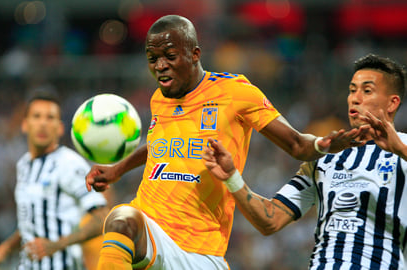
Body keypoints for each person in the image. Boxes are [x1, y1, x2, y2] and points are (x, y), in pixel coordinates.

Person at [85, 15, 367, 270]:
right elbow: (160, 144)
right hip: (153, 227)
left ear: (194, 54)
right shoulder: (160, 98)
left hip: (200, 250)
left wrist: (324, 144)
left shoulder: (235, 92)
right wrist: (118, 170)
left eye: (169, 56)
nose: (160, 66)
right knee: (121, 219)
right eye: (152, 58)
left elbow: (296, 144)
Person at [203, 53, 407, 269]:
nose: (355, 98)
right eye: (352, 90)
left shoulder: (403, 149)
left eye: (366, 90)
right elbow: (270, 219)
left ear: (392, 103)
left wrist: (400, 149)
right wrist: (233, 178)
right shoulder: (326, 157)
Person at [0, 89, 109, 270]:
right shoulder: (24, 165)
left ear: (60, 127)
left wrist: (57, 245)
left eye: (50, 118)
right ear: (25, 124)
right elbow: (31, 223)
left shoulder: (69, 163)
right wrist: (4, 249)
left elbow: (102, 218)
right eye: (37, 116)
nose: (42, 124)